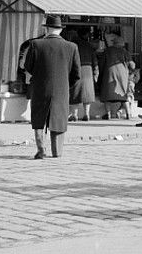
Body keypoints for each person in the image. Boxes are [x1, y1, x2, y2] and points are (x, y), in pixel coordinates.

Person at [23, 15, 81, 159]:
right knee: (59, 119)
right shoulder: (72, 47)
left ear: (47, 29)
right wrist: (66, 86)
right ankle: (57, 151)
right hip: (61, 90)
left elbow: (28, 66)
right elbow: (76, 74)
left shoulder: (36, 44)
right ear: (60, 30)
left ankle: (41, 149)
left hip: (40, 87)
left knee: (38, 118)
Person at [98, 35, 134, 119]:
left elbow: (101, 64)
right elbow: (132, 65)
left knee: (106, 94)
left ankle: (108, 114)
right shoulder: (125, 52)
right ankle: (128, 114)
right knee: (124, 96)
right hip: (123, 76)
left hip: (109, 74)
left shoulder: (107, 51)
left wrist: (101, 73)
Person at [70, 29, 99, 121]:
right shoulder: (88, 45)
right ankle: (86, 114)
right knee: (87, 93)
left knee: (75, 92)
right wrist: (96, 72)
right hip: (88, 69)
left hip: (76, 69)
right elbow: (95, 60)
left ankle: (74, 115)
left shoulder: (72, 45)